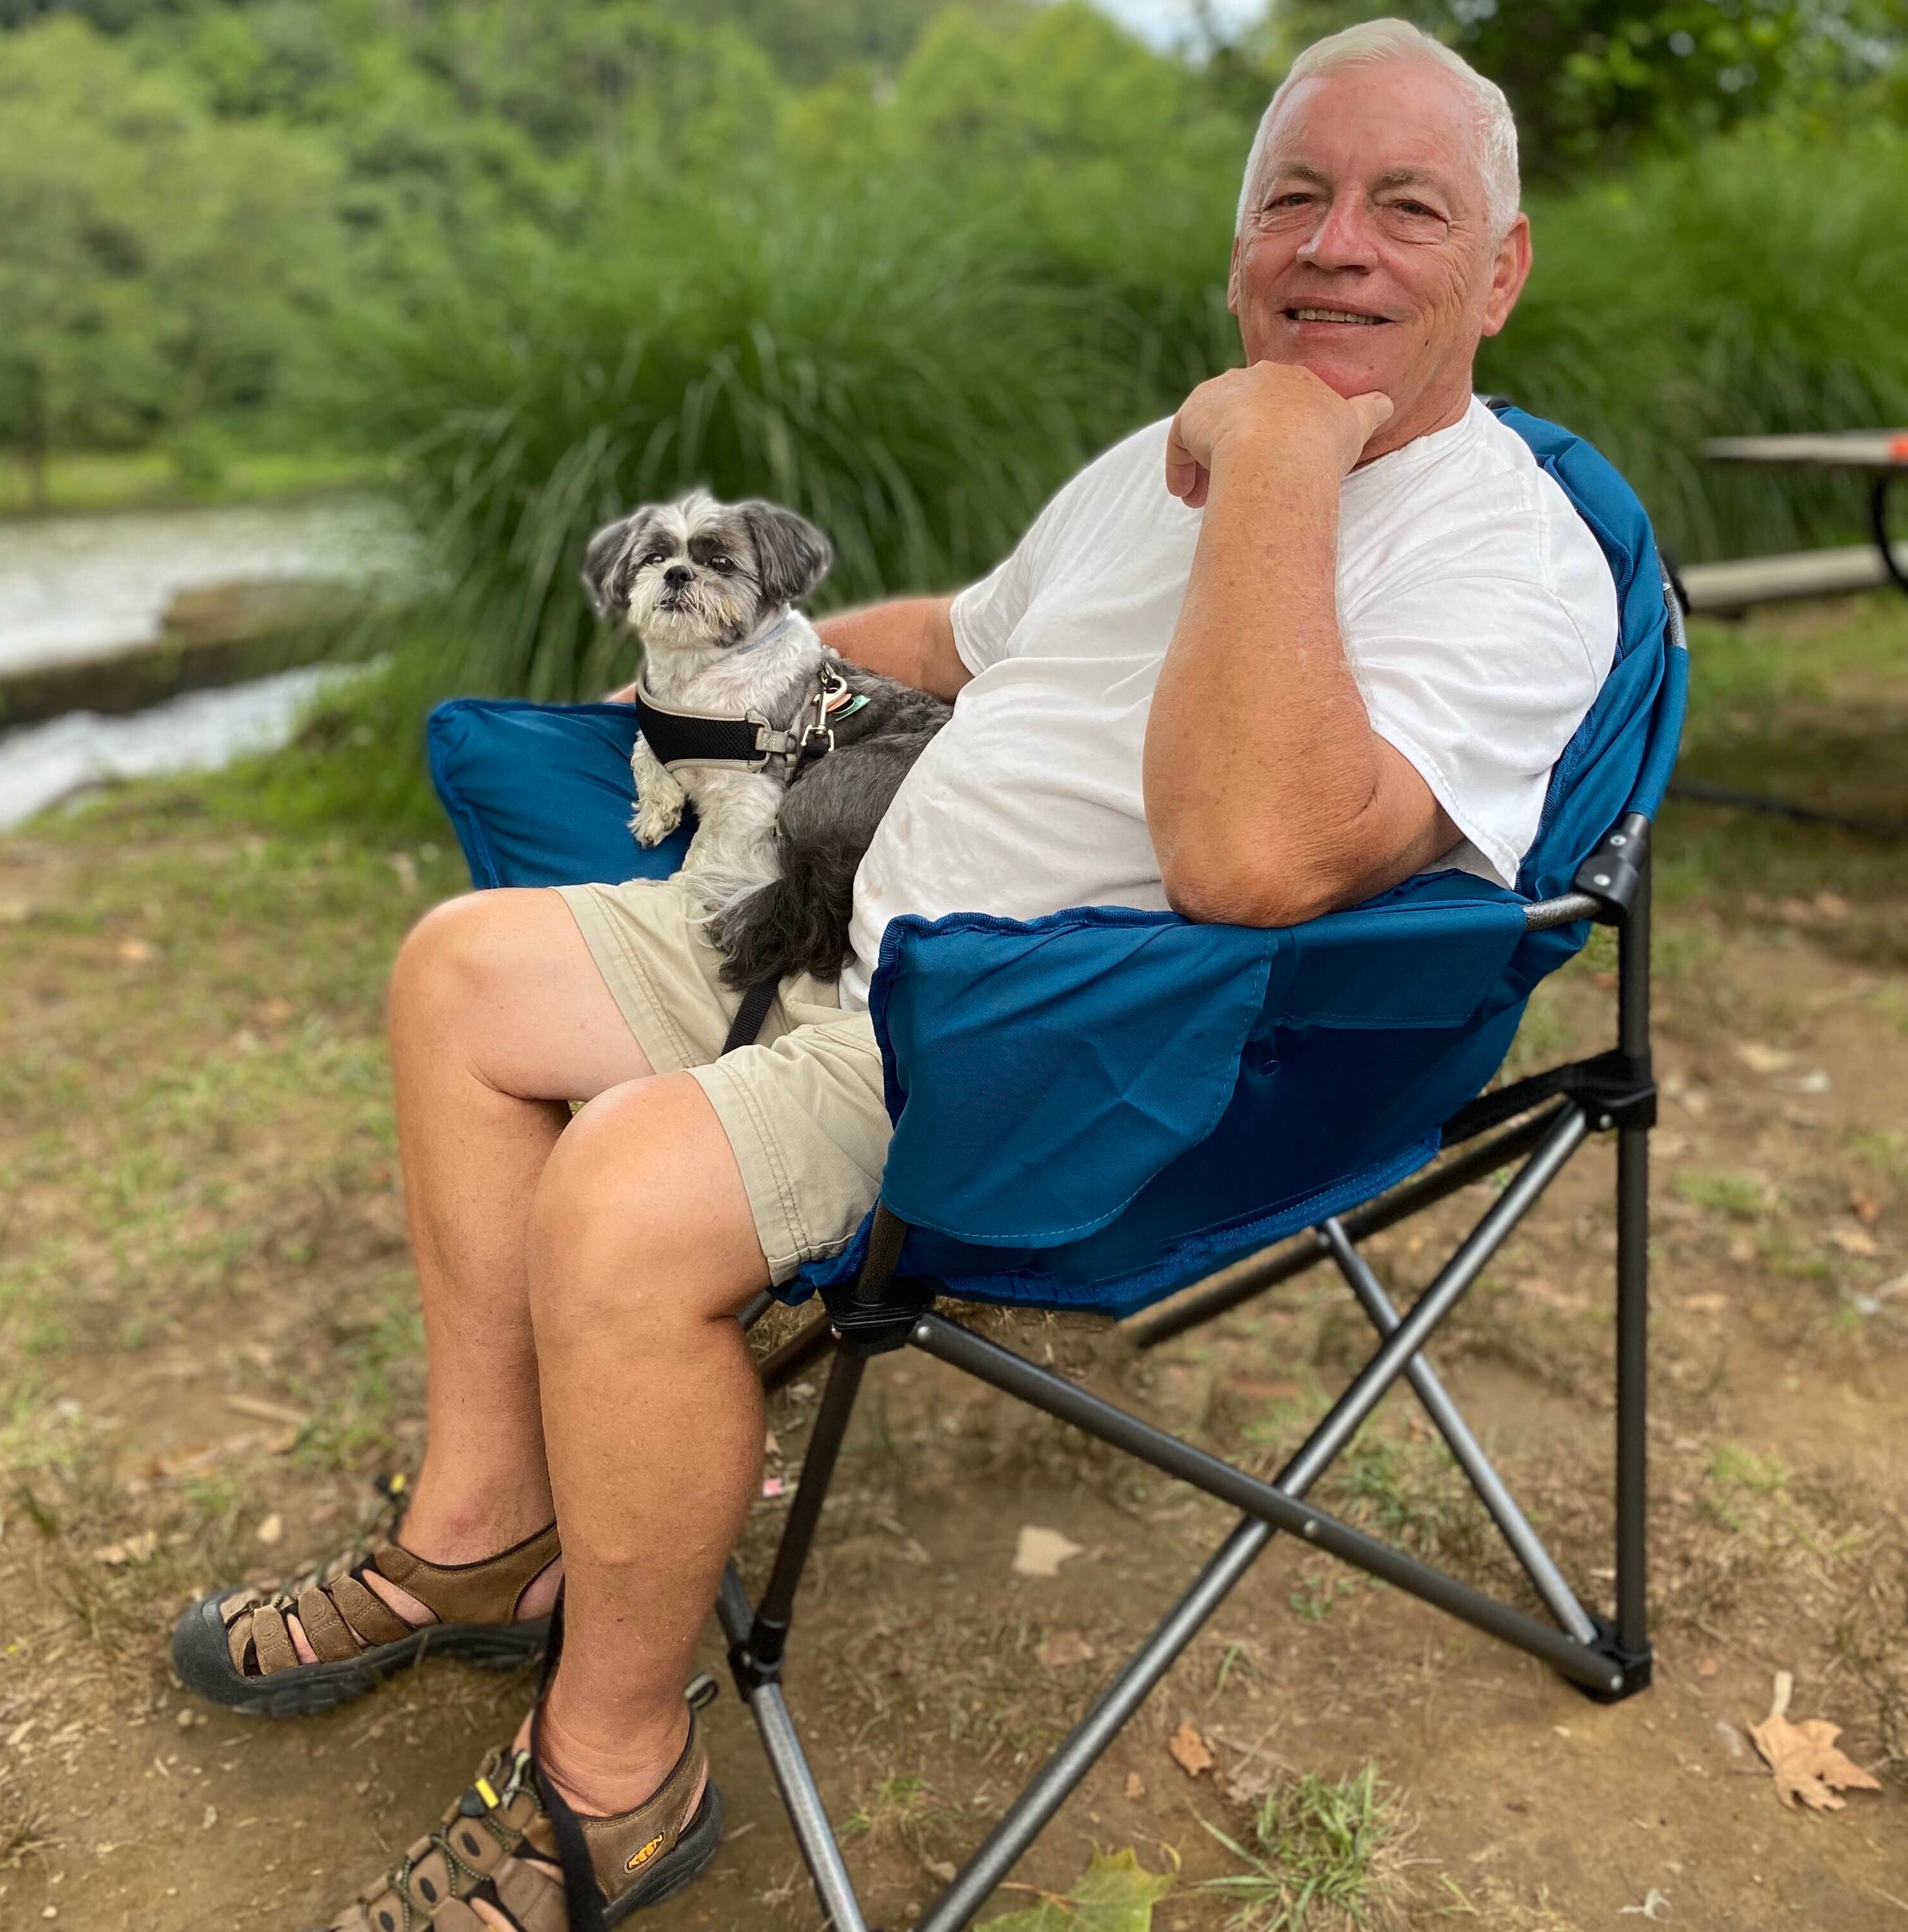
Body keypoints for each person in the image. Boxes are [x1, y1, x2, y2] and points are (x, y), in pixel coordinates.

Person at [173, 19, 1619, 1929]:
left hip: (1043, 1043)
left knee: (615, 1194)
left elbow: (1256, 854)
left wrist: (1279, 441)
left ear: (1499, 274)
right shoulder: (1144, 463)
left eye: (1408, 209)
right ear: (1241, 240)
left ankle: (613, 1779)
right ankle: (481, 1536)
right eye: (1296, 197)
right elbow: (957, 629)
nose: (1337, 244)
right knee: (460, 976)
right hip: (845, 922)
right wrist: (703, 693)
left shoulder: (1507, 558)